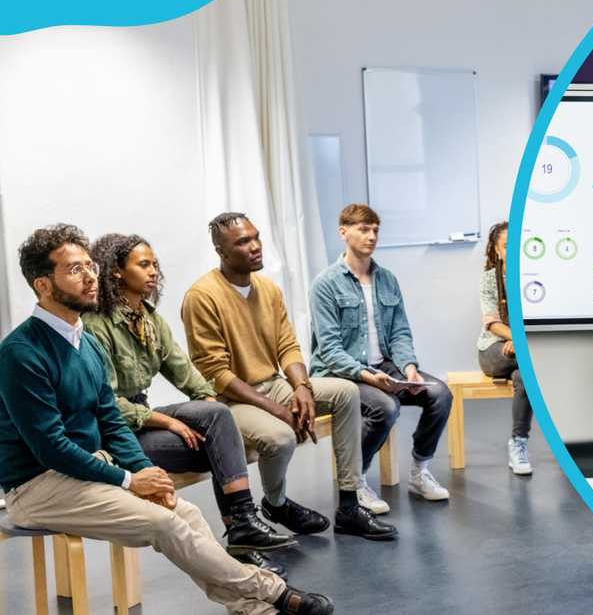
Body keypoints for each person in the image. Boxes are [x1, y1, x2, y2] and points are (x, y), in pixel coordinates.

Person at [0, 224, 333, 615]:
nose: (91, 276)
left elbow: (111, 422)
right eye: (74, 270)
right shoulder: (21, 352)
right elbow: (50, 447)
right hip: (36, 486)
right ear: (42, 285)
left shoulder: (85, 342)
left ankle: (252, 608)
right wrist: (128, 479)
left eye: (90, 265)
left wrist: (147, 475)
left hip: (85, 472)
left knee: (184, 512)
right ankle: (272, 590)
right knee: (166, 525)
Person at [84, 233, 295, 577]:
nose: (153, 272)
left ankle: (241, 530)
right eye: (143, 264)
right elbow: (106, 406)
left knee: (219, 431)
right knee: (220, 443)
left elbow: (186, 372)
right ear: (117, 272)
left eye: (155, 264)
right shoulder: (97, 326)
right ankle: (242, 530)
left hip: (143, 423)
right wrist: (167, 422)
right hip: (115, 435)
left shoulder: (149, 320)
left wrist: (212, 402)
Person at [181, 212, 396, 541]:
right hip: (230, 400)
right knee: (280, 436)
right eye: (242, 242)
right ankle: (276, 503)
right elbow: (216, 374)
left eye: (256, 238)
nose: (255, 247)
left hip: (273, 385)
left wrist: (302, 387)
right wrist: (275, 408)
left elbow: (288, 346)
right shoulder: (202, 297)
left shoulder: (267, 289)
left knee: (345, 392)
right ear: (221, 251)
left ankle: (350, 506)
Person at [309, 204, 453, 510]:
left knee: (440, 394)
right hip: (341, 373)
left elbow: (400, 332)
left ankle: (420, 471)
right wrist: (367, 376)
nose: (371, 236)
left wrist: (409, 368)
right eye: (363, 229)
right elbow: (330, 350)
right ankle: (356, 481)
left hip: (384, 366)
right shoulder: (325, 284)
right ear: (343, 232)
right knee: (386, 407)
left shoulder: (387, 279)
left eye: (375, 229)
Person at [476, 222, 532, 475]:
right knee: (533, 363)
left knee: (525, 376)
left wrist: (522, 343)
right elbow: (492, 323)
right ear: (497, 250)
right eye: (507, 245)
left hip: (524, 353)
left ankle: (518, 443)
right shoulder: (489, 279)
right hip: (494, 351)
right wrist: (520, 340)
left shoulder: (534, 277)